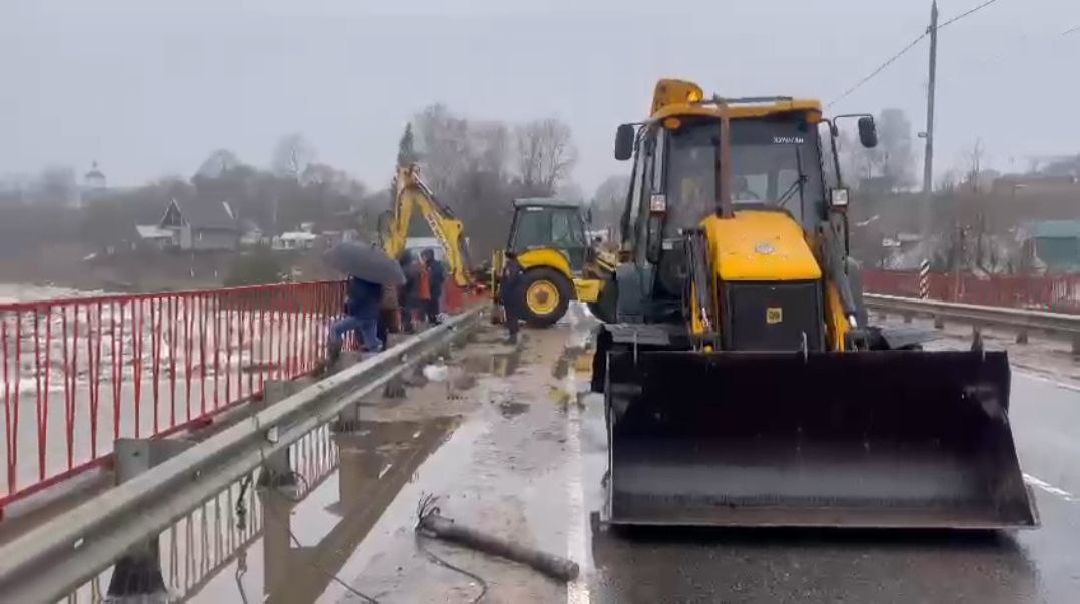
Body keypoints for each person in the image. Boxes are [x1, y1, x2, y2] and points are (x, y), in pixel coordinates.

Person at [328, 275, 382, 362]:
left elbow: (358, 298)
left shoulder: (361, 280)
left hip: (361, 315)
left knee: (335, 329)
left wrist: (348, 302)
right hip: (372, 315)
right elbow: (378, 296)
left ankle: (334, 356)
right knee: (372, 343)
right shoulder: (376, 279)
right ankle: (378, 358)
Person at [499, 250, 524, 344]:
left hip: (511, 295)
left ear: (508, 257)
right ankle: (514, 335)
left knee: (511, 316)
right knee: (514, 315)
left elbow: (510, 281)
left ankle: (513, 338)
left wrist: (502, 294)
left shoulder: (511, 266)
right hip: (517, 294)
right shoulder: (519, 265)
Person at [421, 248, 445, 324]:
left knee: (430, 306)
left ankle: (433, 320)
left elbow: (428, 278)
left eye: (424, 256)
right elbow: (442, 277)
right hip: (436, 289)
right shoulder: (438, 264)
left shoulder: (427, 266)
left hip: (429, 290)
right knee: (435, 306)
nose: (423, 258)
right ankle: (436, 320)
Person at [398, 251, 419, 334]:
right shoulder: (413, 268)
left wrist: (400, 296)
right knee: (410, 311)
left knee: (406, 311)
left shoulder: (404, 269)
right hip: (414, 293)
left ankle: (407, 328)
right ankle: (410, 327)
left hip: (407, 294)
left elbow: (402, 285)